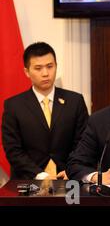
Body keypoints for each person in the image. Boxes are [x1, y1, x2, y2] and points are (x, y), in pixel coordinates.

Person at [1, 42, 89, 180]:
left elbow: (83, 142)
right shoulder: (14, 106)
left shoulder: (75, 101)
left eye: (50, 66)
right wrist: (39, 174)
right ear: (26, 72)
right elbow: (13, 149)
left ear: (56, 66)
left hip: (68, 178)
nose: (45, 73)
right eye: (38, 68)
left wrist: (72, 169)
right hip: (28, 180)